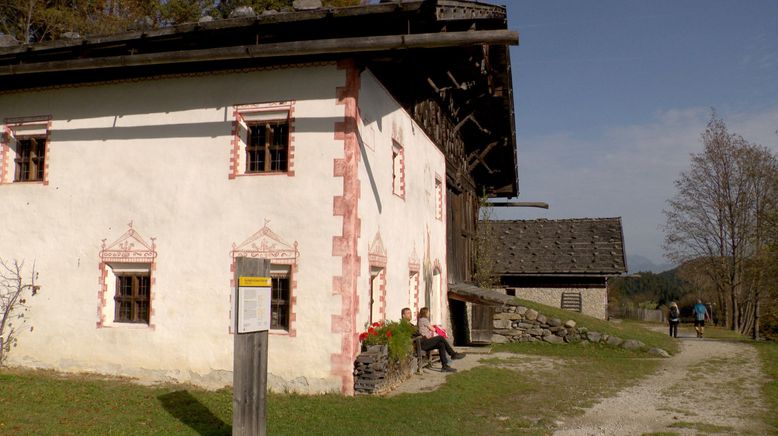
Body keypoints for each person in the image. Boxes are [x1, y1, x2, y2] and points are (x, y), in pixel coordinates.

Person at [417, 307, 464, 372]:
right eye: (428, 312)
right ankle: (453, 354)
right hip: (424, 342)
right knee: (440, 337)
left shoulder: (422, 320)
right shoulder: (423, 319)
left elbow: (430, 328)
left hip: (426, 341)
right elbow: (433, 329)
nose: (429, 313)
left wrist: (435, 327)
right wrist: (439, 329)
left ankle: (445, 366)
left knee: (441, 344)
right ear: (425, 313)